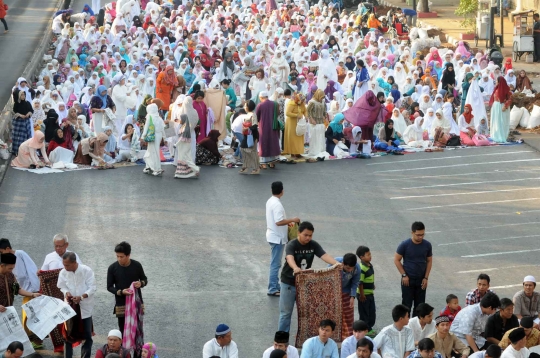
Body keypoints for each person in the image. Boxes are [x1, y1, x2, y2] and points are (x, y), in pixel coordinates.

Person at [278, 221, 341, 332]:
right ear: (299, 233)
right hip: (288, 283)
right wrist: (295, 268)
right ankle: (282, 341)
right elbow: (289, 258)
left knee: (307, 313)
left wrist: (336, 263)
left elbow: (324, 255)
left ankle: (307, 340)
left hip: (304, 284)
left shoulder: (313, 245)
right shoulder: (292, 244)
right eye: (305, 235)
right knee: (286, 314)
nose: (308, 238)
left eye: (310, 235)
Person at [0, 239, 42, 348]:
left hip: (7, 312)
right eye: (10, 268)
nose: (11, 271)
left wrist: (32, 294)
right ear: (2, 266)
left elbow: (17, 289)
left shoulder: (10, 275)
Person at [57, 252, 96, 358]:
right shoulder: (63, 272)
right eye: (64, 264)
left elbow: (92, 288)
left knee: (87, 335)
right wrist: (66, 293)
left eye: (67, 265)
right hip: (69, 307)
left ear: (74, 262)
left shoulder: (86, 270)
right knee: (67, 335)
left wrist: (81, 297)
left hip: (85, 308)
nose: (65, 267)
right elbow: (61, 286)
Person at [266, 181, 300, 297]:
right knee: (275, 264)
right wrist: (292, 220)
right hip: (277, 238)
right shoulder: (277, 204)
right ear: (282, 191)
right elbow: (279, 221)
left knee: (275, 263)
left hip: (272, 234)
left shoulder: (270, 201)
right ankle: (272, 288)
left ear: (272, 190)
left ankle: (275, 286)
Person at [107, 241, 147, 332]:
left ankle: (136, 346)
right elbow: (109, 287)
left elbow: (144, 279)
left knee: (136, 329)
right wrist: (121, 292)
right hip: (121, 303)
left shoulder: (137, 265)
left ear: (128, 255)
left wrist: (141, 284)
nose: (119, 259)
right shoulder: (112, 268)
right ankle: (123, 346)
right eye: (117, 256)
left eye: (122, 257)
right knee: (123, 329)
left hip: (135, 302)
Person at [394, 222, 433, 316]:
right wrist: (404, 275)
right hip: (408, 280)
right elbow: (396, 260)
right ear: (412, 233)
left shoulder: (427, 245)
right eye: (418, 235)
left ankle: (416, 328)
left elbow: (429, 261)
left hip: (421, 280)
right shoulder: (404, 245)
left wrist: (426, 278)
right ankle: (406, 326)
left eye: (422, 234)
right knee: (406, 305)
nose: (420, 237)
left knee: (420, 306)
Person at [256, 91, 280, 169]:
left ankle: (264, 164)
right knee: (273, 143)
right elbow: (278, 113)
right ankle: (272, 163)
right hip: (273, 126)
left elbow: (257, 117)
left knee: (264, 144)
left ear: (261, 97)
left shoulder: (260, 105)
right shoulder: (275, 104)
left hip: (264, 127)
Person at [141, 102, 166, 175]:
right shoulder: (159, 117)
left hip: (152, 135)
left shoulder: (149, 116)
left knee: (152, 151)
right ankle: (150, 166)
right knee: (154, 151)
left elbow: (146, 128)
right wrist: (165, 138)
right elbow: (163, 129)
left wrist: (142, 136)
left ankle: (156, 169)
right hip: (159, 135)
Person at [357, 246, 376, 335]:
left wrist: (372, 285)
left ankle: (369, 328)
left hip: (370, 293)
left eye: (370, 254)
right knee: (364, 313)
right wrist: (362, 294)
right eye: (368, 255)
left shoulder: (369, 265)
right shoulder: (361, 268)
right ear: (361, 257)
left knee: (371, 312)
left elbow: (368, 278)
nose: (370, 256)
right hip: (364, 295)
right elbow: (360, 283)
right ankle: (365, 330)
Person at [174, 114, 200, 178]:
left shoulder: (185, 128)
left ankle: (196, 169)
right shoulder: (185, 126)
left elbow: (181, 138)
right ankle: (179, 174)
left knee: (184, 159)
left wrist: (176, 144)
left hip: (184, 146)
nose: (180, 120)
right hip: (183, 146)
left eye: (181, 119)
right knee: (183, 159)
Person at [283, 93, 307, 158]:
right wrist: (296, 115)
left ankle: (298, 152)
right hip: (291, 123)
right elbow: (287, 113)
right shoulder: (291, 103)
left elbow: (305, 111)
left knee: (299, 137)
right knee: (292, 138)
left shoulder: (301, 104)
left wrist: (306, 116)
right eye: (301, 100)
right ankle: (292, 153)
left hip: (299, 123)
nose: (301, 102)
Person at [489, 77, 512, 143]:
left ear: (500, 82)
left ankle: (502, 135)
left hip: (502, 107)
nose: (496, 82)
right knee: (496, 121)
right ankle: (495, 135)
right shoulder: (496, 89)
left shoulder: (506, 89)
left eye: (497, 81)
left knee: (502, 122)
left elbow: (510, 99)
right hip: (496, 107)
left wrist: (505, 106)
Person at [306, 89, 327, 157]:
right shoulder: (312, 102)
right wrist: (311, 119)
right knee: (314, 137)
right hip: (314, 122)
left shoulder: (323, 102)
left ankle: (320, 150)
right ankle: (314, 151)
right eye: (321, 97)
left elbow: (324, 110)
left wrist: (325, 116)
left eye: (323, 97)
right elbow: (308, 111)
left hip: (320, 122)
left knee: (320, 137)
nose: (322, 98)